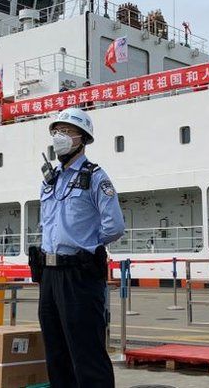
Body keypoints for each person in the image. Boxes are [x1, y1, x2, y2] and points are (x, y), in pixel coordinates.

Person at [29, 108, 125, 388]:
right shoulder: (51, 179)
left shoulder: (96, 177)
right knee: (56, 352)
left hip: (79, 275)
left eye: (66, 131)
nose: (59, 137)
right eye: (56, 131)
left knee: (86, 353)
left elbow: (114, 226)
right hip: (49, 275)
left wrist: (87, 245)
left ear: (82, 138)